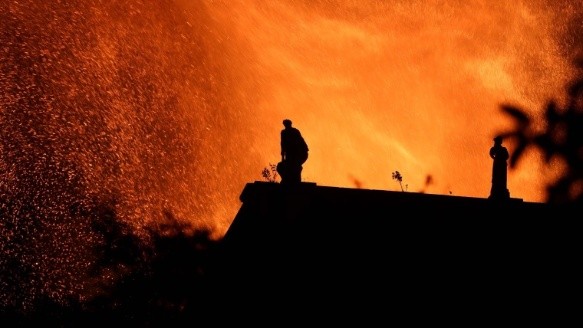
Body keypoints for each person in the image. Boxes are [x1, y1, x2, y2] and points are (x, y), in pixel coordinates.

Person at [278, 119, 308, 184]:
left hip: (299, 153)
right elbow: (283, 144)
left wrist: (284, 157)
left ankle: (293, 181)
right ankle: (288, 180)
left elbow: (300, 142)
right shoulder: (284, 132)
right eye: (285, 124)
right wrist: (283, 156)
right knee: (285, 166)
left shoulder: (294, 132)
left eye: (287, 124)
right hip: (293, 153)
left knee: (294, 166)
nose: (286, 126)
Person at [489, 136, 510, 200]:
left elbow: (507, 156)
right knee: (497, 178)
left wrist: (496, 158)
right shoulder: (500, 149)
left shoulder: (503, 149)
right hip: (499, 164)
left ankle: (500, 189)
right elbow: (491, 153)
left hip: (501, 165)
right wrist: (496, 158)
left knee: (500, 178)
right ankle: (498, 189)